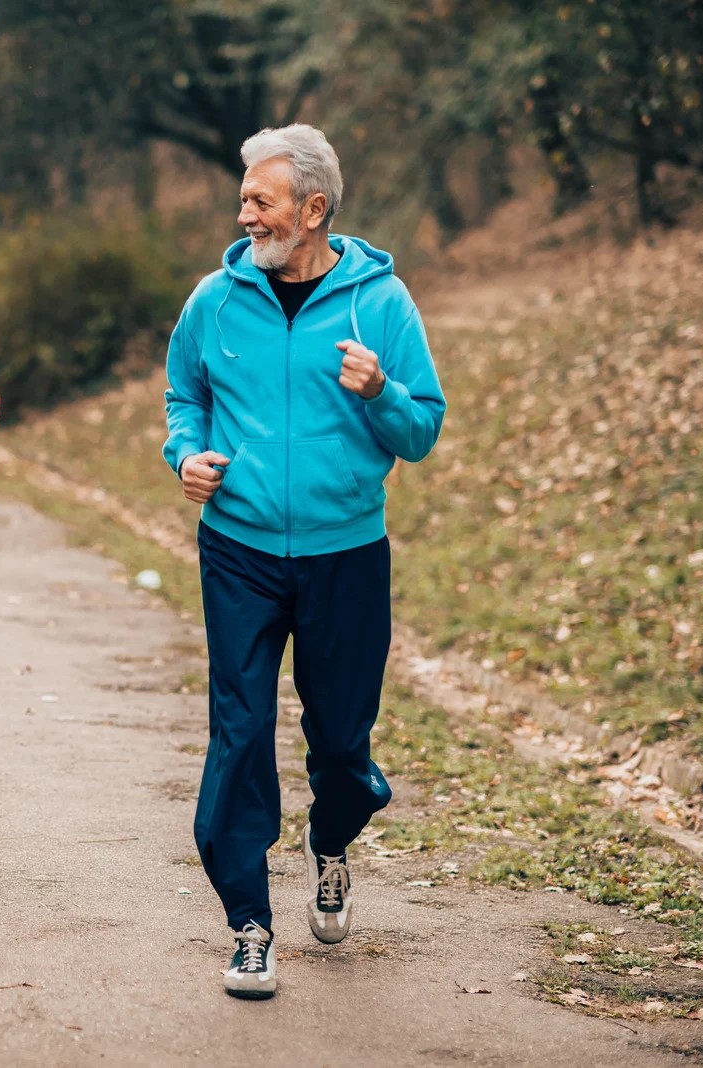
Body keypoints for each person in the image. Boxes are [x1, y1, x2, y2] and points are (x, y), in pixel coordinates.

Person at [162, 124, 445, 999]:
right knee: (240, 733)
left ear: (313, 209)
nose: (244, 211)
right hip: (239, 548)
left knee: (341, 741)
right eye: (245, 196)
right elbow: (186, 394)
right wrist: (187, 455)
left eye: (261, 198)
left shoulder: (383, 305)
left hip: (346, 554)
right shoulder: (216, 298)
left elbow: (422, 430)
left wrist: (381, 393)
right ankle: (249, 925)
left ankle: (333, 842)